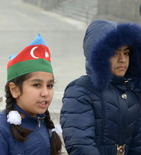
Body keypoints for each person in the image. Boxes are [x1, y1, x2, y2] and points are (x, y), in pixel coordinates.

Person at [60, 19, 141, 155]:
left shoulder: (131, 93)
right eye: (114, 53)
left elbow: (137, 145)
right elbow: (80, 144)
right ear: (99, 56)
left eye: (126, 53)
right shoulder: (80, 91)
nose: (123, 59)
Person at [0, 34, 63, 155]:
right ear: (14, 90)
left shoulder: (43, 125)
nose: (45, 93)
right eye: (37, 85)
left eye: (50, 86)